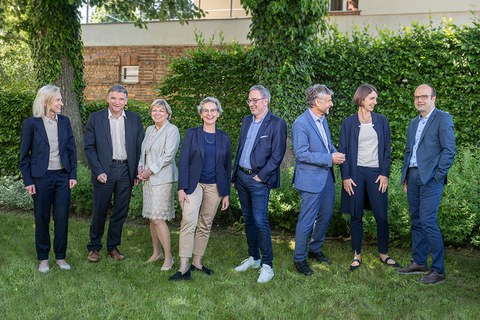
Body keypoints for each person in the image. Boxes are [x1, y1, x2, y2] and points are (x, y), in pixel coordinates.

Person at [398, 84, 456, 284]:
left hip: (430, 178)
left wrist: (437, 176)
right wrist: (405, 176)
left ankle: (438, 270)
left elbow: (449, 150)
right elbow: (408, 151)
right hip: (412, 176)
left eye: (423, 96)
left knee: (428, 221)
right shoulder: (414, 122)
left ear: (434, 99)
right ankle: (419, 262)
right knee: (416, 219)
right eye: (416, 97)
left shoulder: (442, 118)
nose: (419, 100)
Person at [169, 97, 231, 281]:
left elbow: (227, 167)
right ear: (200, 114)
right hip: (193, 185)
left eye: (213, 110)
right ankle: (183, 268)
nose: (209, 114)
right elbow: (183, 161)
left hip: (215, 187)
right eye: (206, 110)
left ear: (218, 114)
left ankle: (197, 262)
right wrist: (181, 188)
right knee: (188, 221)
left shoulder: (224, 137)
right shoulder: (192, 134)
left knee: (205, 224)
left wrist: (226, 193)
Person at [338, 84, 399, 271]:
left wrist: (384, 173)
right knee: (356, 215)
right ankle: (356, 255)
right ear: (362, 98)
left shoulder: (382, 121)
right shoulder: (348, 123)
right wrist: (346, 177)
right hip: (355, 173)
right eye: (372, 98)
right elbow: (343, 151)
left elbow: (388, 149)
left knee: (381, 215)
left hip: (376, 174)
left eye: (375, 98)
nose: (375, 101)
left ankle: (383, 253)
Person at [232, 85, 287, 283]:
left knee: (260, 221)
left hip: (258, 181)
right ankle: (254, 258)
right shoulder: (246, 121)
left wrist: (261, 177)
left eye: (255, 100)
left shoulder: (277, 124)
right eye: (249, 100)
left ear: (266, 101)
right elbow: (241, 148)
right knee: (248, 219)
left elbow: (277, 155)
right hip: (242, 177)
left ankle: (267, 265)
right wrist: (234, 176)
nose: (251, 104)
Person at [19, 85, 77, 273]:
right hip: (40, 178)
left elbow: (71, 150)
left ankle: (60, 257)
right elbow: (24, 157)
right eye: (58, 100)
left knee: (61, 218)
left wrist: (72, 175)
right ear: (46, 101)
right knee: (42, 218)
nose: (61, 103)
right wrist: (28, 181)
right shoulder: (31, 124)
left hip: (62, 177)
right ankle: (43, 258)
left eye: (61, 99)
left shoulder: (65, 122)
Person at [84, 84, 144, 262]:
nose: (117, 102)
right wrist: (98, 170)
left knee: (120, 211)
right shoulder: (96, 118)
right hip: (104, 170)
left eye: (121, 99)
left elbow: (140, 147)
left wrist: (137, 171)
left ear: (126, 101)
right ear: (107, 99)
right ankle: (94, 247)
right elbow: (89, 146)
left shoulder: (134, 119)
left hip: (126, 170)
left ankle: (113, 247)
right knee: (99, 210)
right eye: (113, 98)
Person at [291, 84, 345, 276]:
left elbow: (327, 144)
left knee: (326, 215)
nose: (331, 103)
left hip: (327, 178)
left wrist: (334, 152)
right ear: (317, 102)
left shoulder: (323, 120)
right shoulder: (301, 123)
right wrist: (329, 159)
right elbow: (302, 154)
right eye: (329, 100)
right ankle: (299, 258)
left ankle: (315, 249)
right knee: (306, 220)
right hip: (310, 180)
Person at [137, 99, 180, 270]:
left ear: (167, 114)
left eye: (161, 111)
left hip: (162, 179)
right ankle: (157, 252)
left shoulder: (172, 130)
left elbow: (168, 156)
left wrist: (150, 171)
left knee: (158, 218)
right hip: (147, 178)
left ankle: (169, 257)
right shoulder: (149, 129)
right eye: (154, 110)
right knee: (151, 217)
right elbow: (144, 152)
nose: (157, 113)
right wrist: (141, 167)